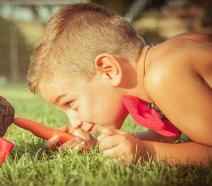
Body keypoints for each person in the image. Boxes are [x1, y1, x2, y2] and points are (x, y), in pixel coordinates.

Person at [27, 3, 212, 166]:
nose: (74, 122)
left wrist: (148, 152)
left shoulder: (163, 75)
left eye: (71, 104)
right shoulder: (159, 63)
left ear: (109, 70)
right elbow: (165, 134)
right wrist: (101, 144)